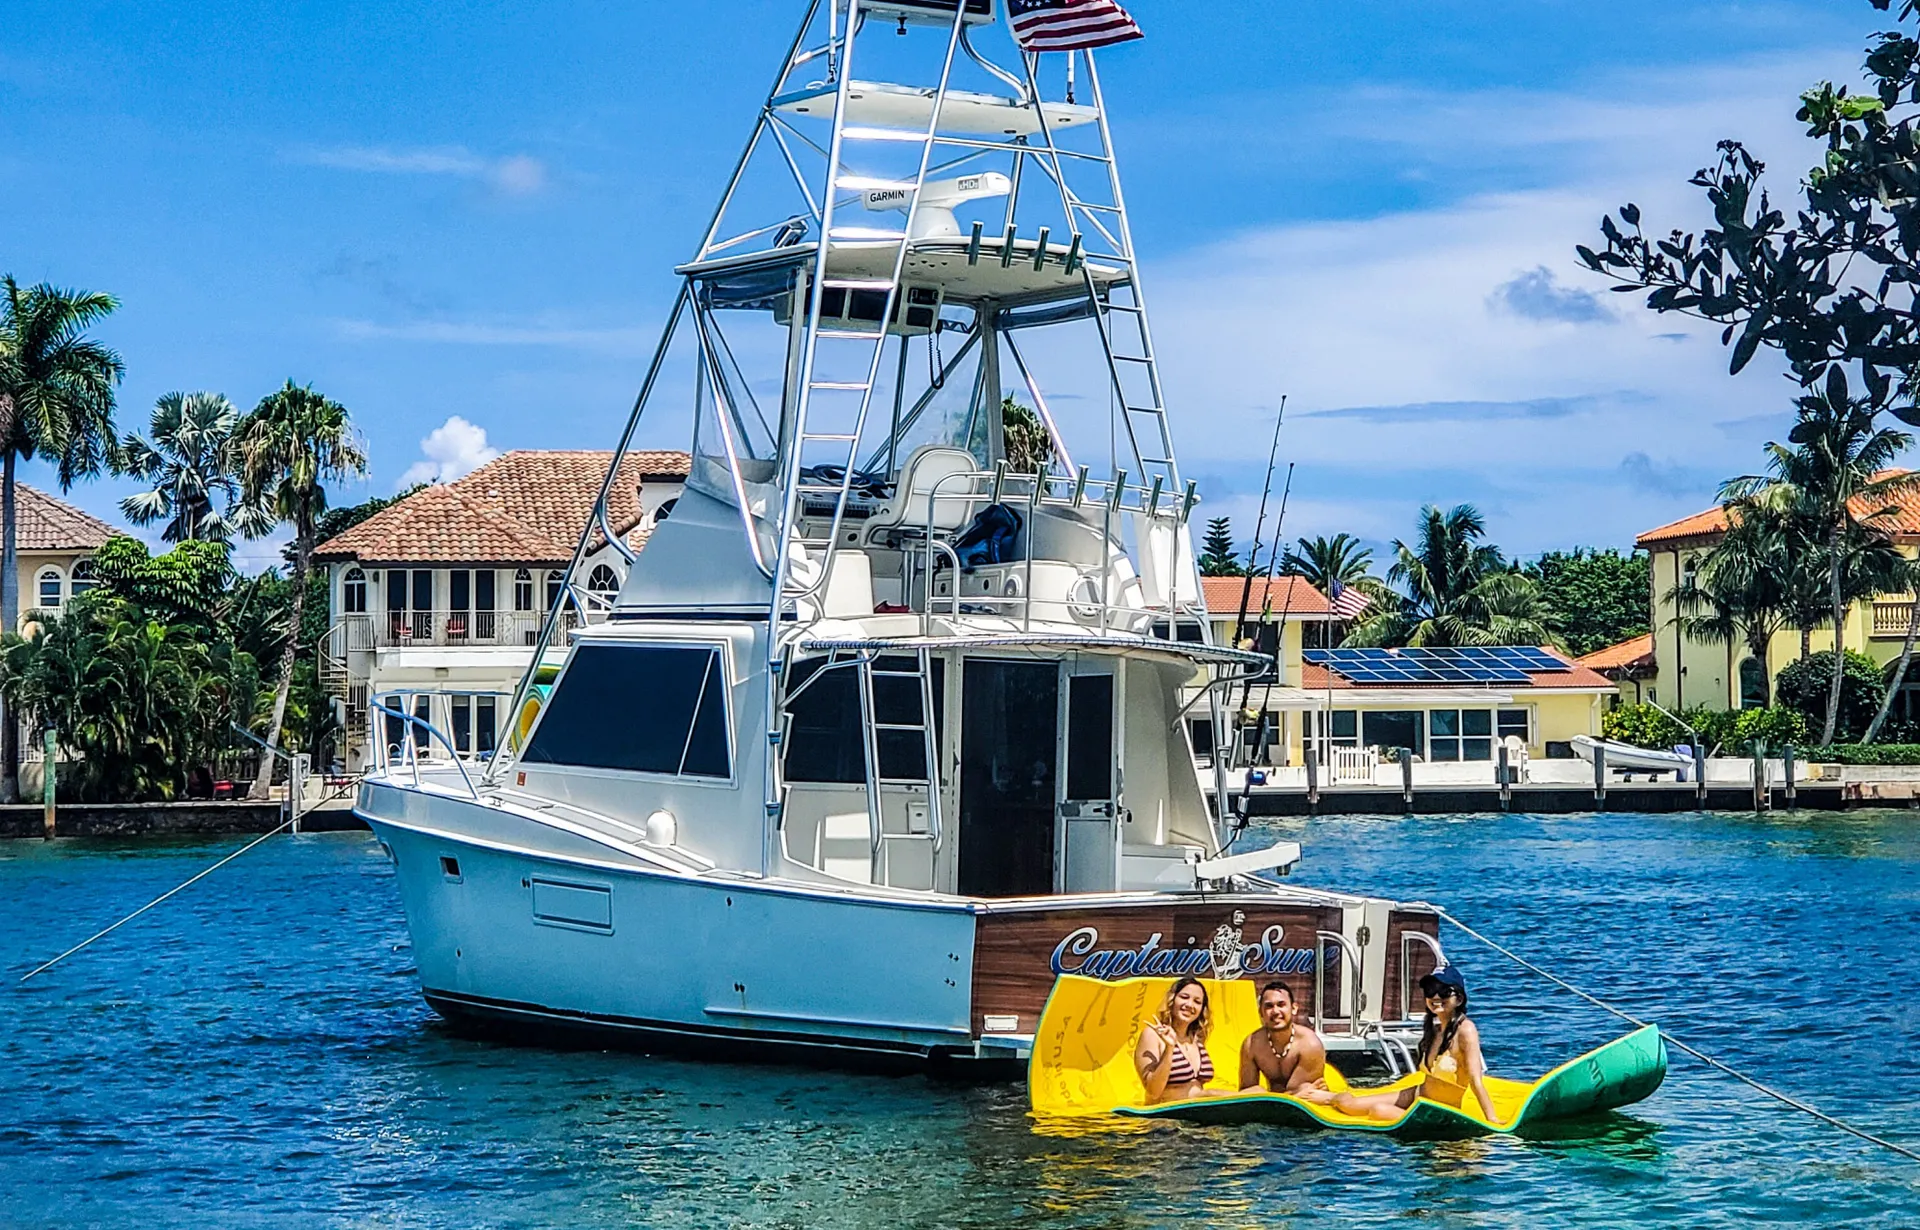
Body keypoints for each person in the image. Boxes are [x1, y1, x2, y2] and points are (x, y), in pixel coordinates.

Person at [1308, 965, 1503, 1125]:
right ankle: (1327, 1096)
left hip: (1439, 1114)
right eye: (1430, 991)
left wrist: (1492, 1119)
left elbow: (1476, 1080)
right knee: (1350, 1106)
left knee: (1378, 1111)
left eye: (1443, 991)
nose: (1435, 997)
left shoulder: (1466, 1030)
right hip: (1417, 1095)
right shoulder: (1435, 1030)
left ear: (1459, 998)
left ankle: (1327, 1096)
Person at [1135, 976, 1217, 1104]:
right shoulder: (1152, 1035)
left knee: (1257, 1089)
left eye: (1197, 1001)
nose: (1190, 1005)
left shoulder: (1196, 1038)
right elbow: (1153, 1092)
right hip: (1165, 1118)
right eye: (1184, 997)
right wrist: (1169, 1048)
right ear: (1172, 1000)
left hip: (1196, 1115)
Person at [1237, 981, 1328, 1095]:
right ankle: (1209, 1094)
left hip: (1304, 1107)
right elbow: (1246, 1093)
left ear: (1294, 1009)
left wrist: (1263, 1094)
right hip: (1274, 1102)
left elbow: (1303, 1094)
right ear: (1260, 1012)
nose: (1275, 1011)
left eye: (1281, 1005)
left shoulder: (1309, 1045)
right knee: (1255, 1091)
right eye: (1269, 1006)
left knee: (1305, 1087)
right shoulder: (1252, 1044)